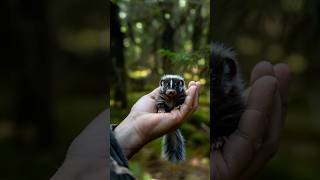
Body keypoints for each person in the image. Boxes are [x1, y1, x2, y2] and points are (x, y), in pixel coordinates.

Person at [51, 61, 290, 180]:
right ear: (162, 85)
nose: (173, 90)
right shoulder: (161, 95)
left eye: (176, 86)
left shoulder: (181, 92)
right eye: (168, 86)